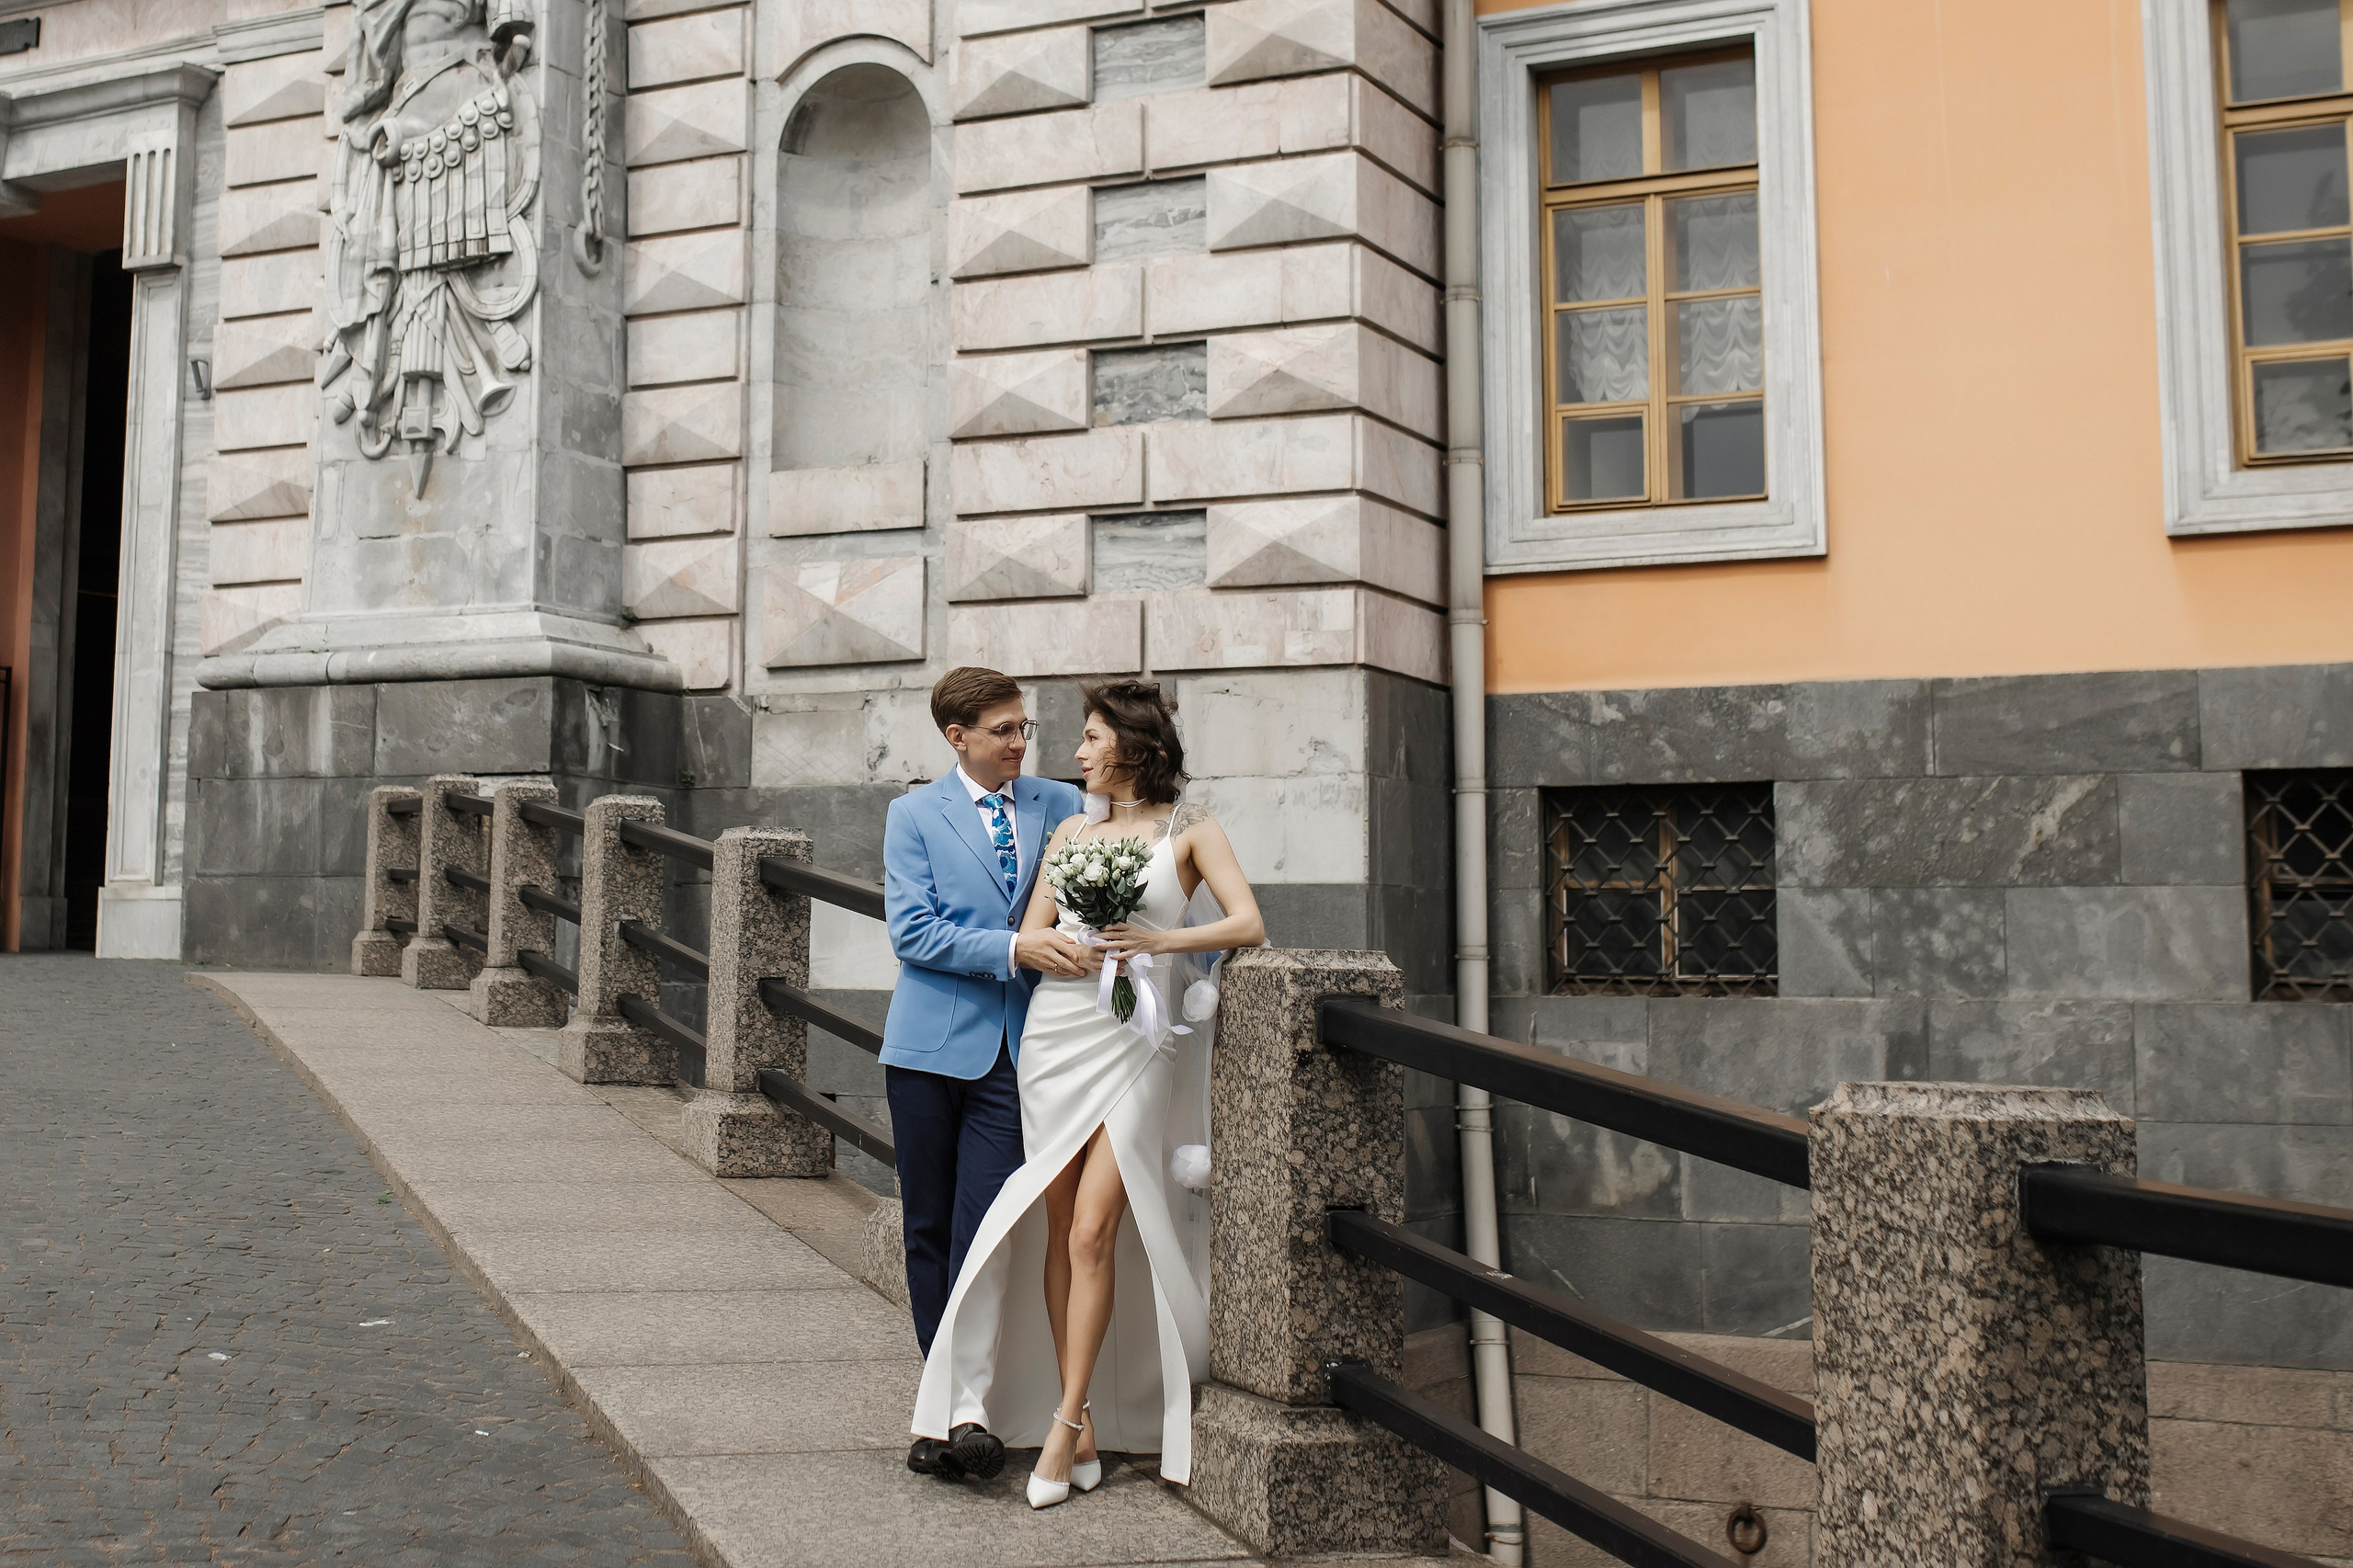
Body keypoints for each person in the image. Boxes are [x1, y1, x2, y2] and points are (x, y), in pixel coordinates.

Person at [910, 680, 1265, 1509]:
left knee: (1099, 1228)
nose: (1073, 753)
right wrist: (1057, 948)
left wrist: (1159, 939)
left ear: (1132, 747)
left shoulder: (1192, 831)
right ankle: (1090, 1426)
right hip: (1058, 1037)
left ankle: (1066, 1422)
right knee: (1061, 1226)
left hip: (1136, 1044)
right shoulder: (1072, 829)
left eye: (1090, 739)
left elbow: (1248, 923)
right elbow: (1037, 929)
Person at [883, 668, 1090, 1483]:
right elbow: (914, 933)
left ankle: (964, 1410)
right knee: (928, 1229)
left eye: (1023, 728)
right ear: (956, 736)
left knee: (986, 1231)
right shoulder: (912, 816)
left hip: (1020, 1054)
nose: (1019, 743)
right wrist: (1012, 949)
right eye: (1002, 730)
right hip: (928, 1051)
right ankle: (949, 1410)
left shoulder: (1061, 807)